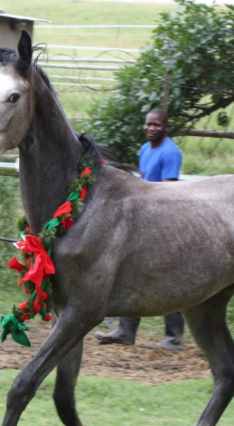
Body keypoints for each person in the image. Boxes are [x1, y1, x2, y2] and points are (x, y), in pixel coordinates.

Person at [94, 108, 186, 351]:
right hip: (143, 217)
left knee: (169, 275)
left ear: (166, 127)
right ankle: (125, 331)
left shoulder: (170, 152)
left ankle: (173, 338)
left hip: (163, 219)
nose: (151, 128)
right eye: (148, 124)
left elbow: (168, 192)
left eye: (157, 125)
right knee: (132, 269)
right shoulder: (145, 149)